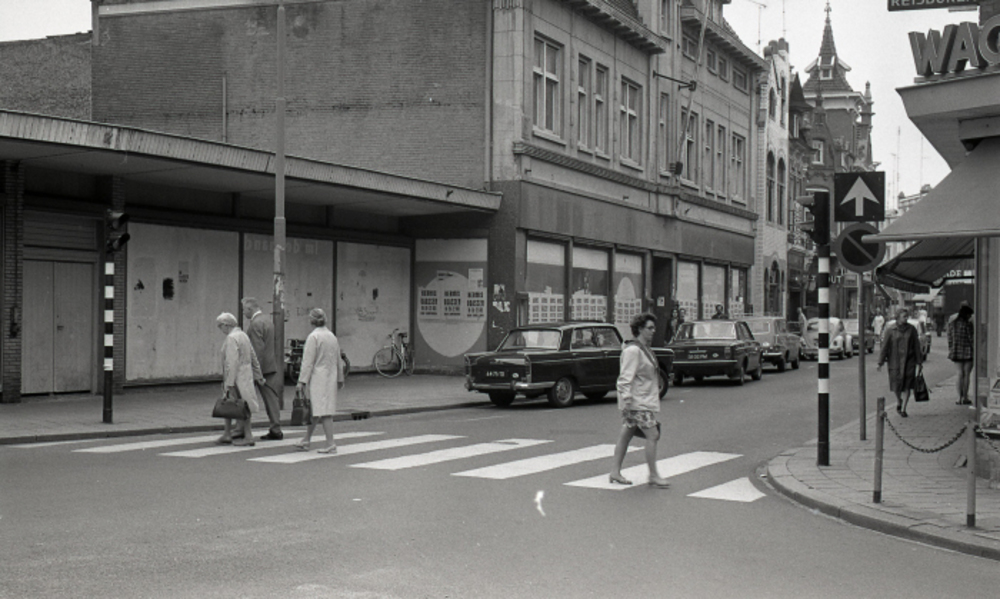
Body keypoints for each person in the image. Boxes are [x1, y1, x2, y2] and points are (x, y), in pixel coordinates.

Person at [609, 313, 669, 488]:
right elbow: (625, 378)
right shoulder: (633, 351)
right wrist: (627, 401)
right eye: (650, 328)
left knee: (626, 434)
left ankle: (615, 472)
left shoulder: (644, 349)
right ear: (640, 329)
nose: (653, 331)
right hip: (637, 402)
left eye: (654, 328)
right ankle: (653, 475)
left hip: (640, 400)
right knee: (653, 435)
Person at [295, 308, 345, 453]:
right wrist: (340, 378)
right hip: (331, 376)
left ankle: (330, 443)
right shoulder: (331, 336)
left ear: (311, 320)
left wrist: (301, 381)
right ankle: (306, 439)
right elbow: (338, 359)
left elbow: (308, 362)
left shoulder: (313, 337)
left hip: (318, 377)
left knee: (323, 411)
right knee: (316, 409)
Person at [215, 312, 264, 446]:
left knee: (234, 404)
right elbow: (253, 357)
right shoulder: (243, 335)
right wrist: (258, 375)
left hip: (235, 377)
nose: (220, 329)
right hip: (246, 375)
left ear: (226, 325)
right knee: (241, 404)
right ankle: (229, 433)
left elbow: (232, 362)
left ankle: (246, 435)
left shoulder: (231, 338)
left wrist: (229, 384)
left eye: (220, 326)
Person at [242, 297, 283, 441]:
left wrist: (255, 372)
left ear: (250, 309)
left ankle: (242, 429)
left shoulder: (255, 324)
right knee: (271, 398)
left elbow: (256, 350)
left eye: (244, 310)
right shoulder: (267, 320)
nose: (243, 313)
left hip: (260, 368)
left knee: (245, 397)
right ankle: (276, 427)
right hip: (270, 365)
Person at [877, 308, 923, 417]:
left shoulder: (911, 329)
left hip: (909, 361)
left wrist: (919, 362)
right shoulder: (890, 330)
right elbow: (885, 347)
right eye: (904, 316)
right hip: (895, 361)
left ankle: (903, 409)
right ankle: (899, 400)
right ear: (898, 317)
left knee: (907, 385)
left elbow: (916, 346)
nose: (906, 318)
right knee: (896, 386)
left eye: (907, 316)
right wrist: (880, 362)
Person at [947, 302, 974, 406]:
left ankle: (959, 397)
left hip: (956, 351)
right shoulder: (968, 324)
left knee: (959, 374)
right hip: (968, 351)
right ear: (966, 315)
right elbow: (971, 339)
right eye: (969, 315)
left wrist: (951, 349)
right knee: (966, 374)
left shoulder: (952, 323)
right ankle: (965, 397)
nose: (970, 317)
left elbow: (949, 338)